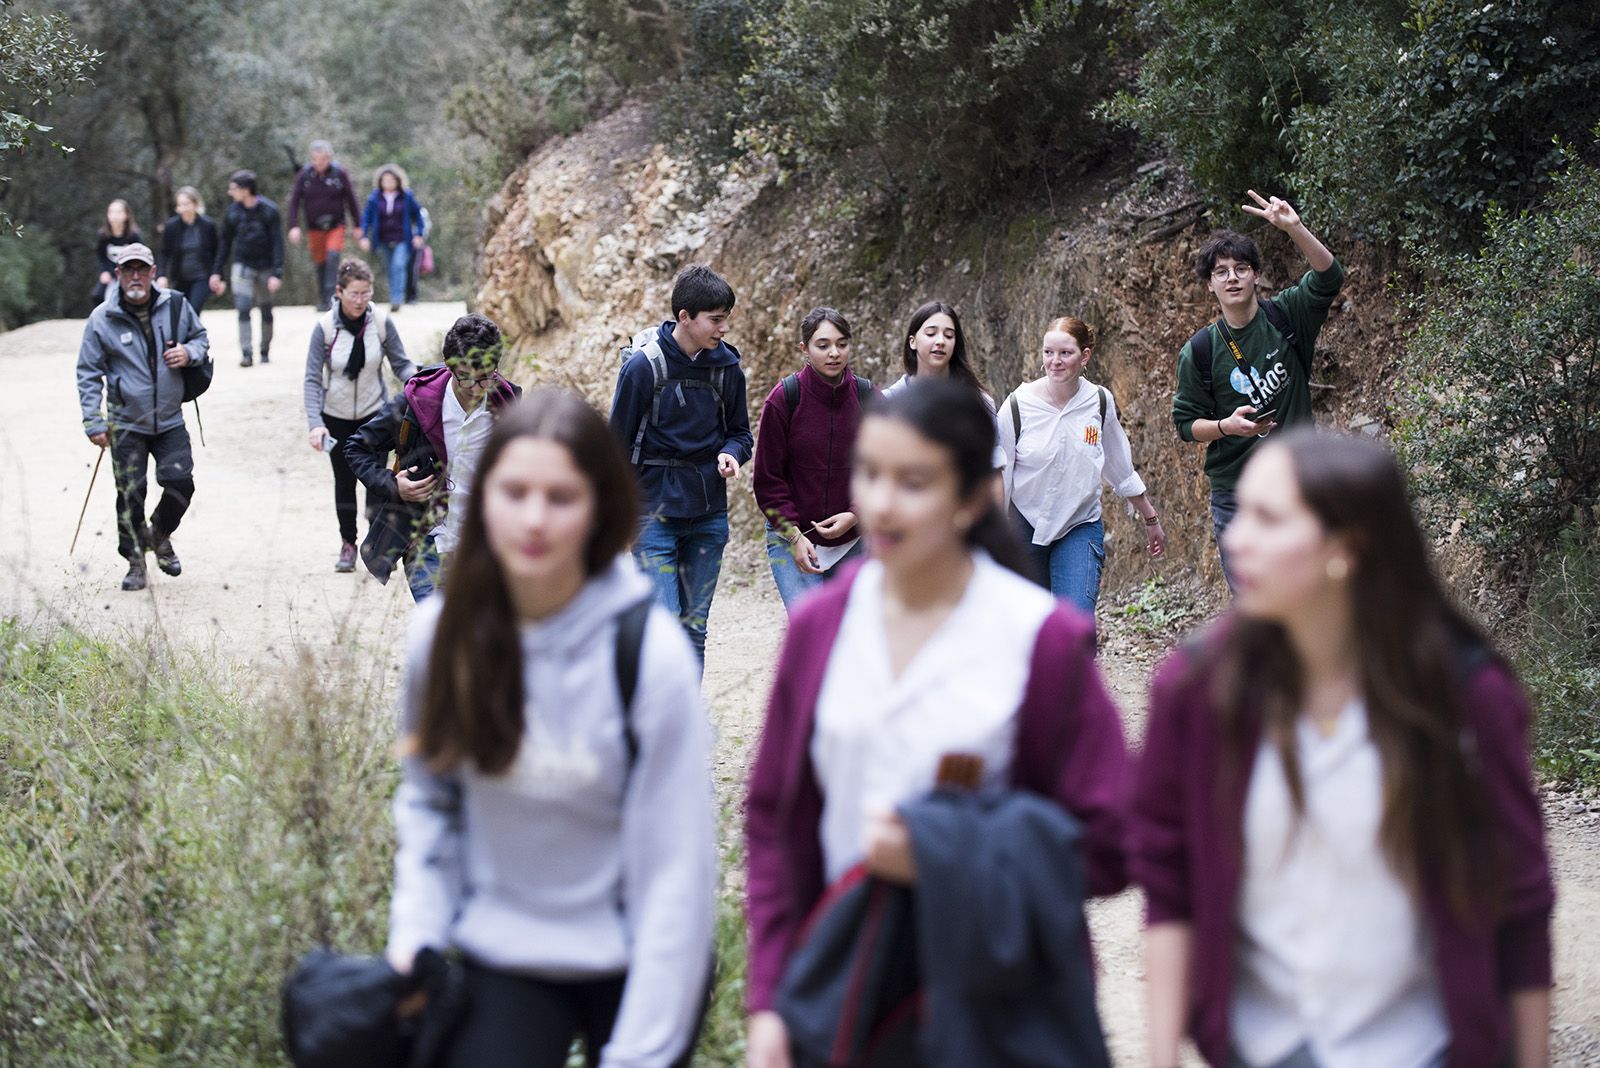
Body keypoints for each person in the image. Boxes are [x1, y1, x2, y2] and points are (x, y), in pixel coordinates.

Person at [1129, 431, 1554, 1068]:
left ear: (1347, 547)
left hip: (1422, 1048)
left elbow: (1520, 897)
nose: (1237, 539)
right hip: (1262, 1049)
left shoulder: (1465, 696)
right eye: (1240, 514)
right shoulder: (1197, 689)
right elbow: (1167, 878)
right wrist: (1163, 1056)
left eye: (1269, 519)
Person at [744, 378, 1129, 1066]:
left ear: (974, 498)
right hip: (845, 997)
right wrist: (771, 999)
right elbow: (777, 821)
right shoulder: (820, 629)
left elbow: (1110, 840)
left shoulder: (1039, 640)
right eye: (869, 474)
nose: (881, 504)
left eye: (913, 482)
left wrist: (941, 849)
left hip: (999, 1007)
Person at [386, 389, 716, 1068]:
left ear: (600, 508)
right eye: (514, 493)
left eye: (561, 497)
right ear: (482, 500)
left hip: (640, 947)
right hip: (504, 949)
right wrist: (416, 940)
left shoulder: (649, 656)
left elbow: (677, 868)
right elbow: (430, 803)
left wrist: (642, 1054)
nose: (534, 519)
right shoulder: (441, 641)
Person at [1171, 190, 1344, 588]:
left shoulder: (1286, 315)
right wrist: (1226, 427)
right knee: (1255, 603)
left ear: (1255, 275)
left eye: (1241, 268)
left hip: (1297, 480)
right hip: (1237, 493)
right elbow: (1185, 424)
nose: (1232, 277)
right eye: (1221, 272)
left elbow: (1330, 277)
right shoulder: (1200, 350)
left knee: (1311, 592)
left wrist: (1294, 228)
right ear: (1210, 284)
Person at [608, 263, 753, 669]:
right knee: (665, 629)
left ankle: (684, 711)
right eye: (716, 320)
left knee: (693, 630)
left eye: (726, 319)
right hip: (652, 515)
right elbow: (615, 446)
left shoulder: (727, 369)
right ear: (685, 317)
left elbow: (741, 434)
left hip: (708, 515)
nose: (724, 328)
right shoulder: (643, 367)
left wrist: (731, 453)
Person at [344, 313, 521, 600]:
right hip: (427, 541)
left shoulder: (507, 404)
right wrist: (393, 484)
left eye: (485, 378)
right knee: (437, 625)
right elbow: (356, 448)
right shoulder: (416, 403)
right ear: (450, 367)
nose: (476, 389)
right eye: (466, 378)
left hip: (486, 544)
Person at [999, 315, 1165, 619]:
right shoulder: (1016, 406)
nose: (1055, 361)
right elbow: (1001, 476)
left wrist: (1150, 517)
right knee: (1031, 625)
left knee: (1076, 625)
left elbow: (1119, 465)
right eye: (1049, 352)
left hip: (1079, 524)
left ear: (1084, 356)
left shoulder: (1099, 401)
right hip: (1025, 525)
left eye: (1065, 353)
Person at [75, 243, 210, 591]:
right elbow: (88, 372)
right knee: (130, 494)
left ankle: (159, 534)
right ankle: (135, 561)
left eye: (141, 269)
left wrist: (189, 352)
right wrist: (93, 420)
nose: (135, 276)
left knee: (181, 484)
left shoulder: (176, 304)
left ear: (152, 273)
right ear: (118, 275)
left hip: (169, 418)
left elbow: (201, 339)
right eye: (128, 270)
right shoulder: (102, 318)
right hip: (126, 423)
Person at [752, 306, 872, 612]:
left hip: (854, 541)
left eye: (842, 344)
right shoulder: (784, 398)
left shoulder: (868, 397)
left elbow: (886, 469)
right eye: (823, 345)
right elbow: (768, 480)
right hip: (792, 537)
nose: (834, 353)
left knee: (850, 632)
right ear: (804, 348)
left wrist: (856, 514)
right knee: (811, 628)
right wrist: (793, 537)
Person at [303, 258, 417, 573]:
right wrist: (315, 424)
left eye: (366, 293)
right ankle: (348, 544)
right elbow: (312, 379)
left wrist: (420, 383)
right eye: (354, 293)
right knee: (344, 482)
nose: (360, 300)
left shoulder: (380, 323)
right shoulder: (325, 328)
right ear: (339, 292)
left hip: (374, 416)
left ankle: (375, 545)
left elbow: (401, 364)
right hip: (335, 416)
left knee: (377, 482)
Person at [882, 299, 1005, 472]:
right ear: (912, 341)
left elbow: (993, 470)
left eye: (949, 336)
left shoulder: (978, 403)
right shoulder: (888, 402)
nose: (940, 341)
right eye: (931, 334)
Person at [209, 170, 284, 368]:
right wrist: (217, 272)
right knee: (243, 308)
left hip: (266, 267)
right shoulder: (232, 213)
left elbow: (278, 242)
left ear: (246, 190)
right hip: (242, 266)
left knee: (266, 309)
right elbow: (224, 244)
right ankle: (246, 353)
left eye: (233, 189)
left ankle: (265, 350)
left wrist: (277, 273)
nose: (230, 192)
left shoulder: (269, 210)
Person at [285, 139, 364, 312]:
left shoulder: (340, 174)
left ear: (329, 158)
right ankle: (323, 297)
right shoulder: (304, 176)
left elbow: (351, 199)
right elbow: (294, 201)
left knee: (333, 256)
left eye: (322, 159)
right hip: (314, 227)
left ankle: (331, 297)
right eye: (315, 159)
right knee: (320, 262)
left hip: (336, 225)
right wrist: (293, 226)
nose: (319, 163)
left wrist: (358, 225)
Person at [359, 164, 426, 313]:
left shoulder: (406, 196)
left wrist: (419, 234)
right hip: (383, 239)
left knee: (398, 266)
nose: (388, 183)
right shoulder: (374, 198)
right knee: (390, 269)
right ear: (380, 182)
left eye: (391, 180)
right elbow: (366, 218)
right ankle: (394, 296)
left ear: (398, 181)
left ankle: (397, 299)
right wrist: (364, 236)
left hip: (402, 239)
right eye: (385, 180)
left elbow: (418, 216)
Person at [155, 186, 219, 315]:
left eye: (186, 204)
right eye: (180, 205)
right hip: (180, 277)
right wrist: (161, 275)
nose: (183, 208)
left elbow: (216, 252)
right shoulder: (172, 226)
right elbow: (165, 252)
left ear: (195, 204)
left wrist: (217, 274)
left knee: (193, 310)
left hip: (202, 276)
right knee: (180, 312)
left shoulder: (208, 225)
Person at [93, 199, 142, 304]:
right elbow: (101, 256)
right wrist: (104, 271)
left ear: (126, 215)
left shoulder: (134, 235)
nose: (114, 216)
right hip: (111, 274)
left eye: (119, 212)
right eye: (111, 212)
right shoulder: (103, 235)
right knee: (97, 295)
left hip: (129, 274)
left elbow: (140, 257)